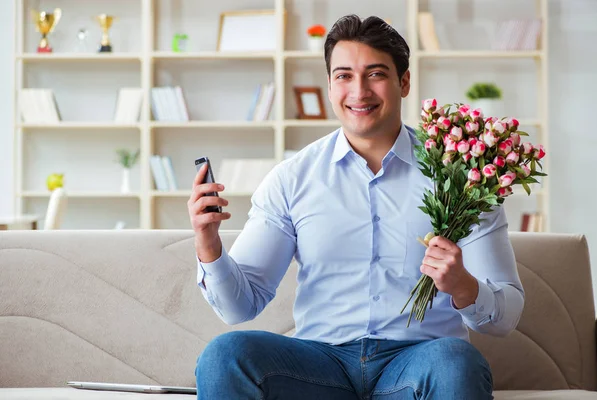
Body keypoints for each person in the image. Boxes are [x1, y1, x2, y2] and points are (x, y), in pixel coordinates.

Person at [188, 14, 524, 400]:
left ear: (404, 82)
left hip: (419, 362)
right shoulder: (292, 179)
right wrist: (209, 245)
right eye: (344, 76)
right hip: (318, 365)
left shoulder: (464, 179)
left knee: (456, 361)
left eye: (376, 74)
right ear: (330, 86)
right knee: (225, 355)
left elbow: (507, 314)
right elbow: (239, 307)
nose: (359, 91)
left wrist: (464, 287)